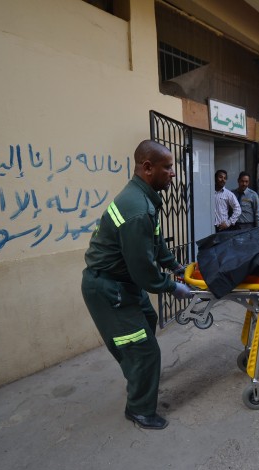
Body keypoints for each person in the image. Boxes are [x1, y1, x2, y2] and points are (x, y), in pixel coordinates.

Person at [80, 140, 193, 430]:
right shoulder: (138, 209)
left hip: (124, 284)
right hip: (108, 289)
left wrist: (175, 266)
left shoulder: (144, 199)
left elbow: (155, 242)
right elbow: (144, 272)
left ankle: (141, 376)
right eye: (168, 167)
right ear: (147, 167)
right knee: (143, 349)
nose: (173, 173)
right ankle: (139, 410)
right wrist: (172, 287)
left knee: (148, 320)